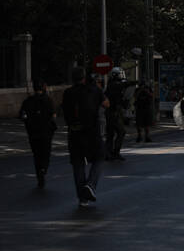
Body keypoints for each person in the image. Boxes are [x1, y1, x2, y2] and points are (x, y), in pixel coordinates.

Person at [62, 67, 109, 207]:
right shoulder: (94, 90)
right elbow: (107, 103)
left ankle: (82, 198)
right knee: (100, 158)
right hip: (92, 132)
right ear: (84, 78)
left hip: (74, 132)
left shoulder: (67, 92)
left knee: (78, 164)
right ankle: (90, 185)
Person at [19, 79, 56, 189]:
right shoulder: (48, 100)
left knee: (36, 155)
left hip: (33, 132)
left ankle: (39, 174)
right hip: (46, 132)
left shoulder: (27, 101)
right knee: (46, 153)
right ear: (43, 88)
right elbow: (53, 115)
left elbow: (22, 115)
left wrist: (28, 122)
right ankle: (43, 169)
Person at [104, 67, 128, 161]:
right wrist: (135, 82)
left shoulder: (114, 85)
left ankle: (109, 153)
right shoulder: (113, 85)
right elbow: (122, 85)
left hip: (114, 112)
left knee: (110, 133)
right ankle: (114, 153)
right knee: (121, 132)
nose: (121, 76)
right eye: (119, 74)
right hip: (112, 112)